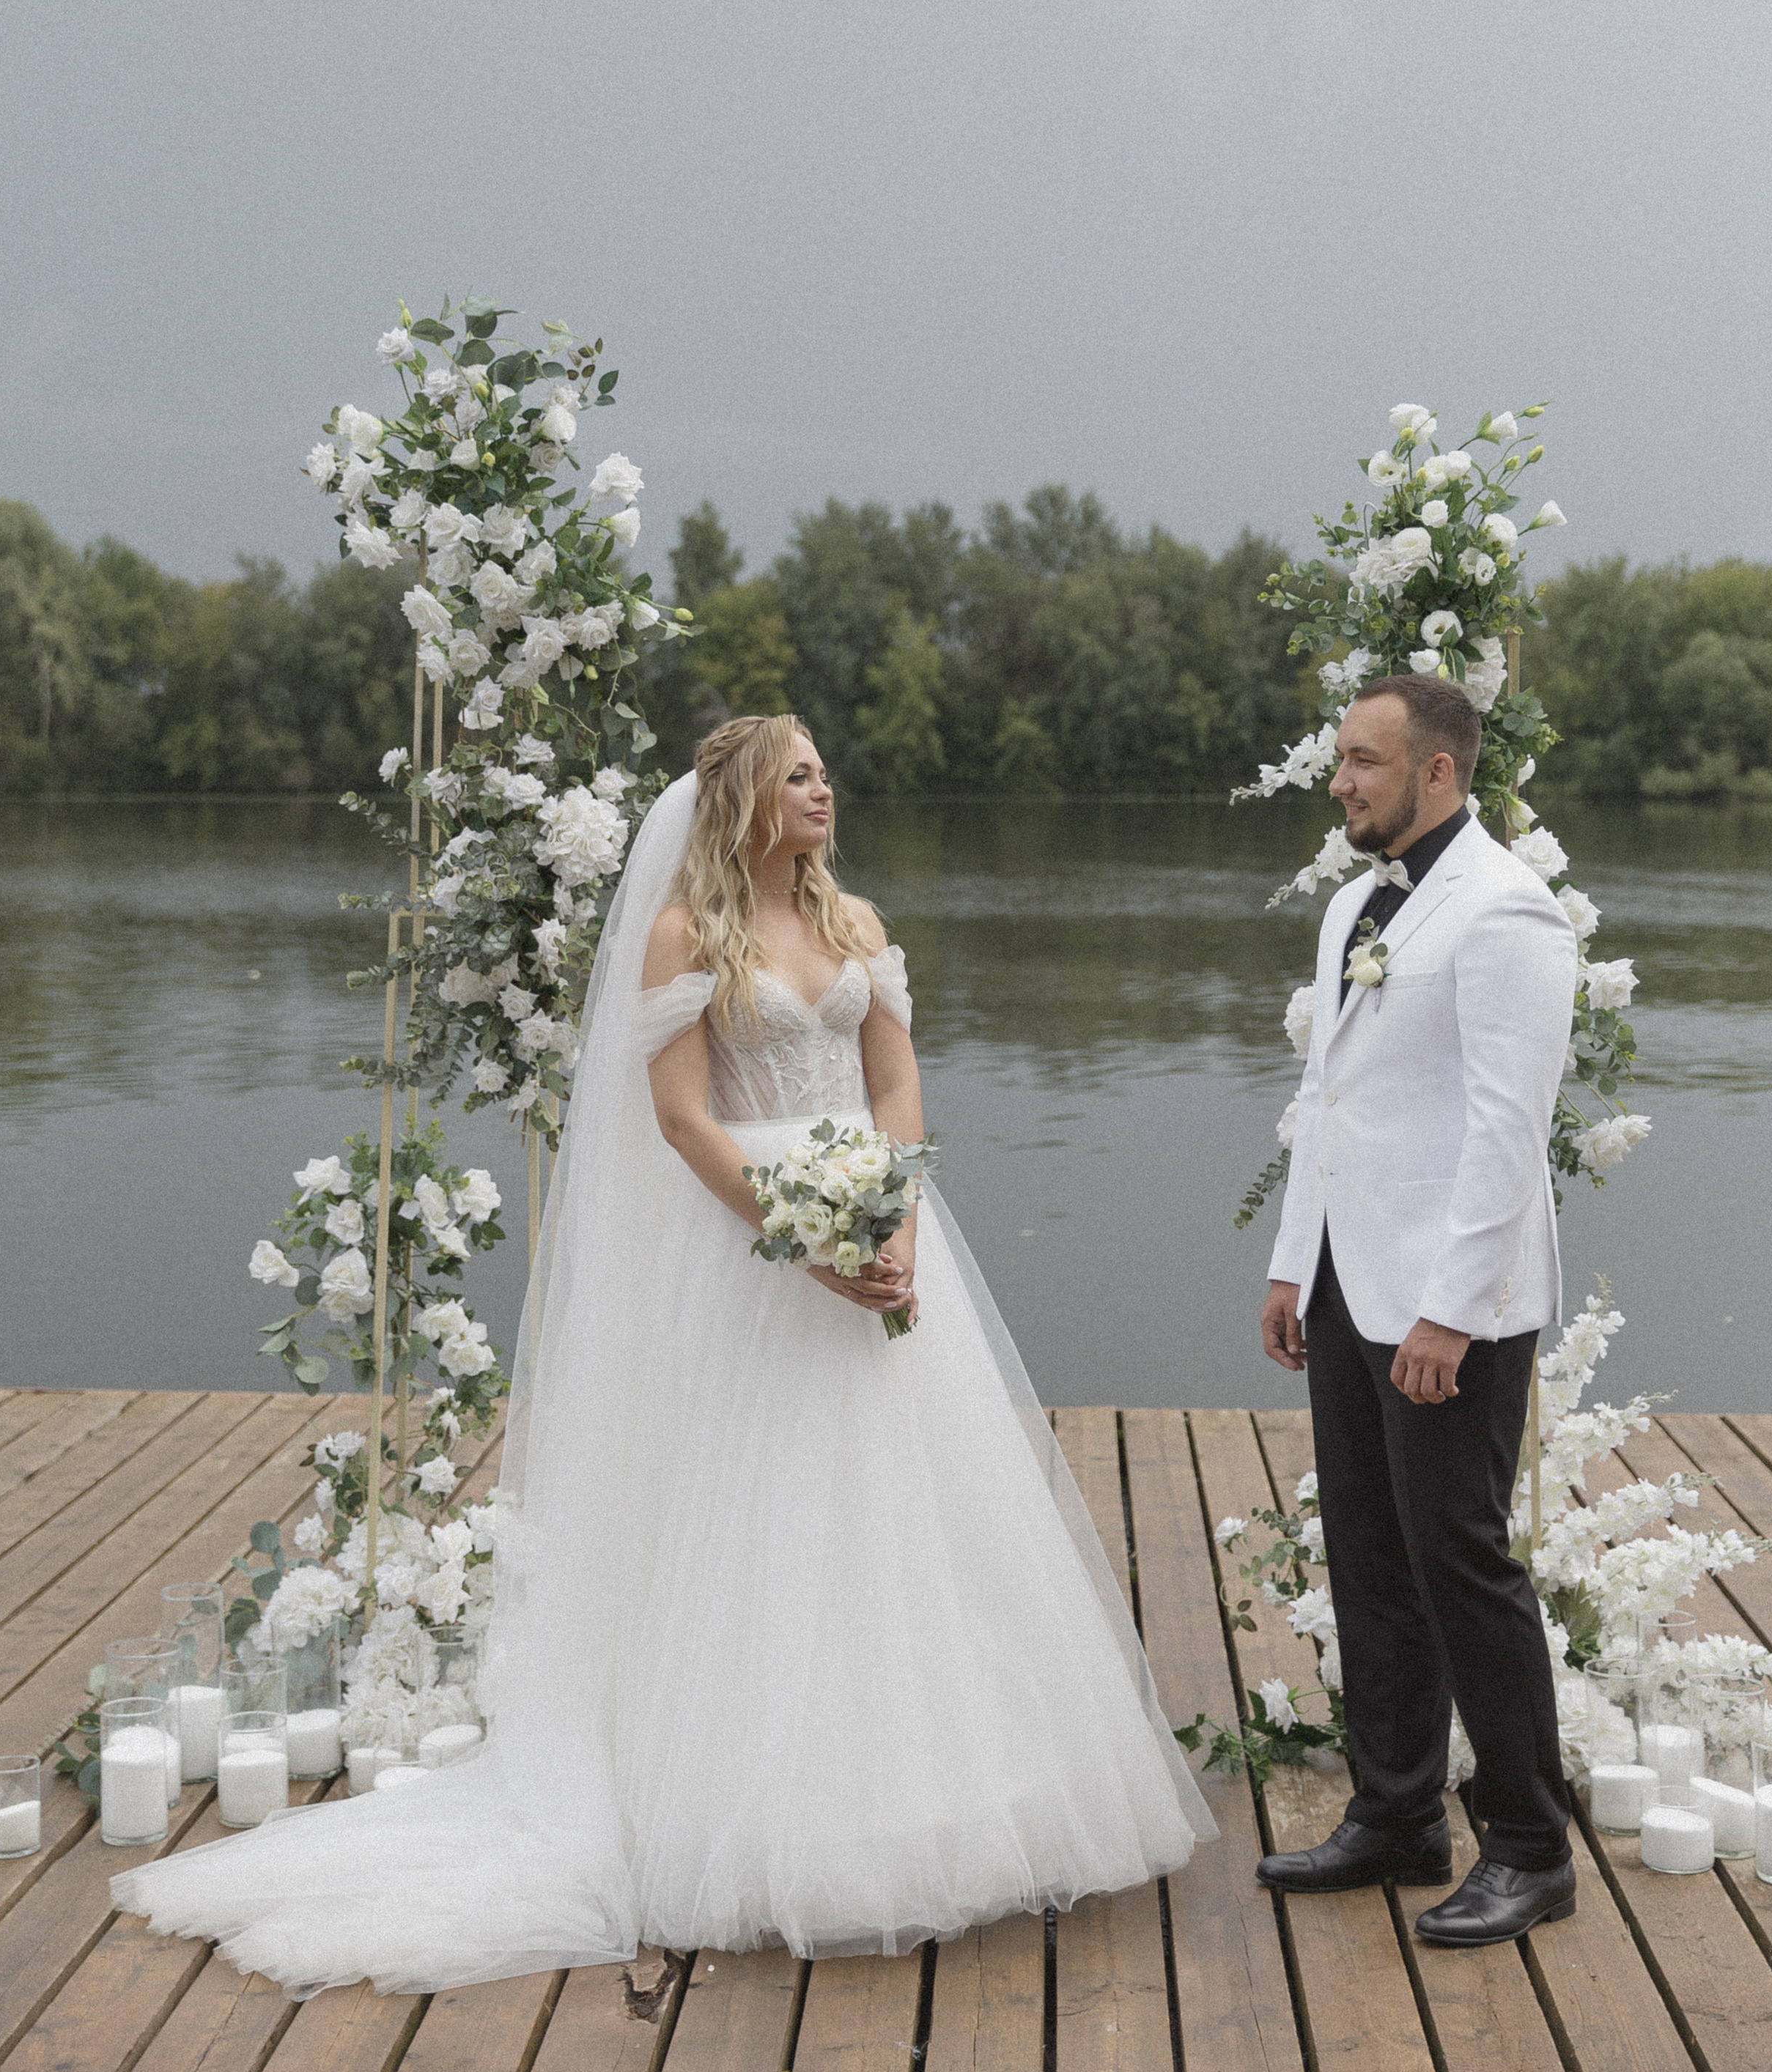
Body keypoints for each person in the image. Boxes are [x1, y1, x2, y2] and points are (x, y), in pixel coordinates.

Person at [114, 714, 1208, 1993]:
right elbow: (685, 1121)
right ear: (745, 797)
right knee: (769, 1513)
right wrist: (805, 1243)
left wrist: (892, 1211)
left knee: (911, 1511)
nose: (824, 789)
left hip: (885, 1229)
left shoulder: (853, 919)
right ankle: (763, 1807)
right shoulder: (687, 935)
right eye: (800, 774)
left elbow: (898, 1081)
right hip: (755, 1248)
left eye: (823, 772)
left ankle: (935, 1787)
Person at [1257, 676, 1578, 1949]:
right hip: (1348, 1280)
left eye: (1363, 762)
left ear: (1437, 772)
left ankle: (1530, 1845)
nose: (1340, 781)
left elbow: (1509, 1131)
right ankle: (1396, 1815)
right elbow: (1332, 1101)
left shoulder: (1506, 912)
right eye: (1342, 759)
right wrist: (1295, 1263)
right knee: (1370, 1556)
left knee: (1463, 1565)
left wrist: (1449, 1311)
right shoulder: (1353, 901)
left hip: (1453, 1304)